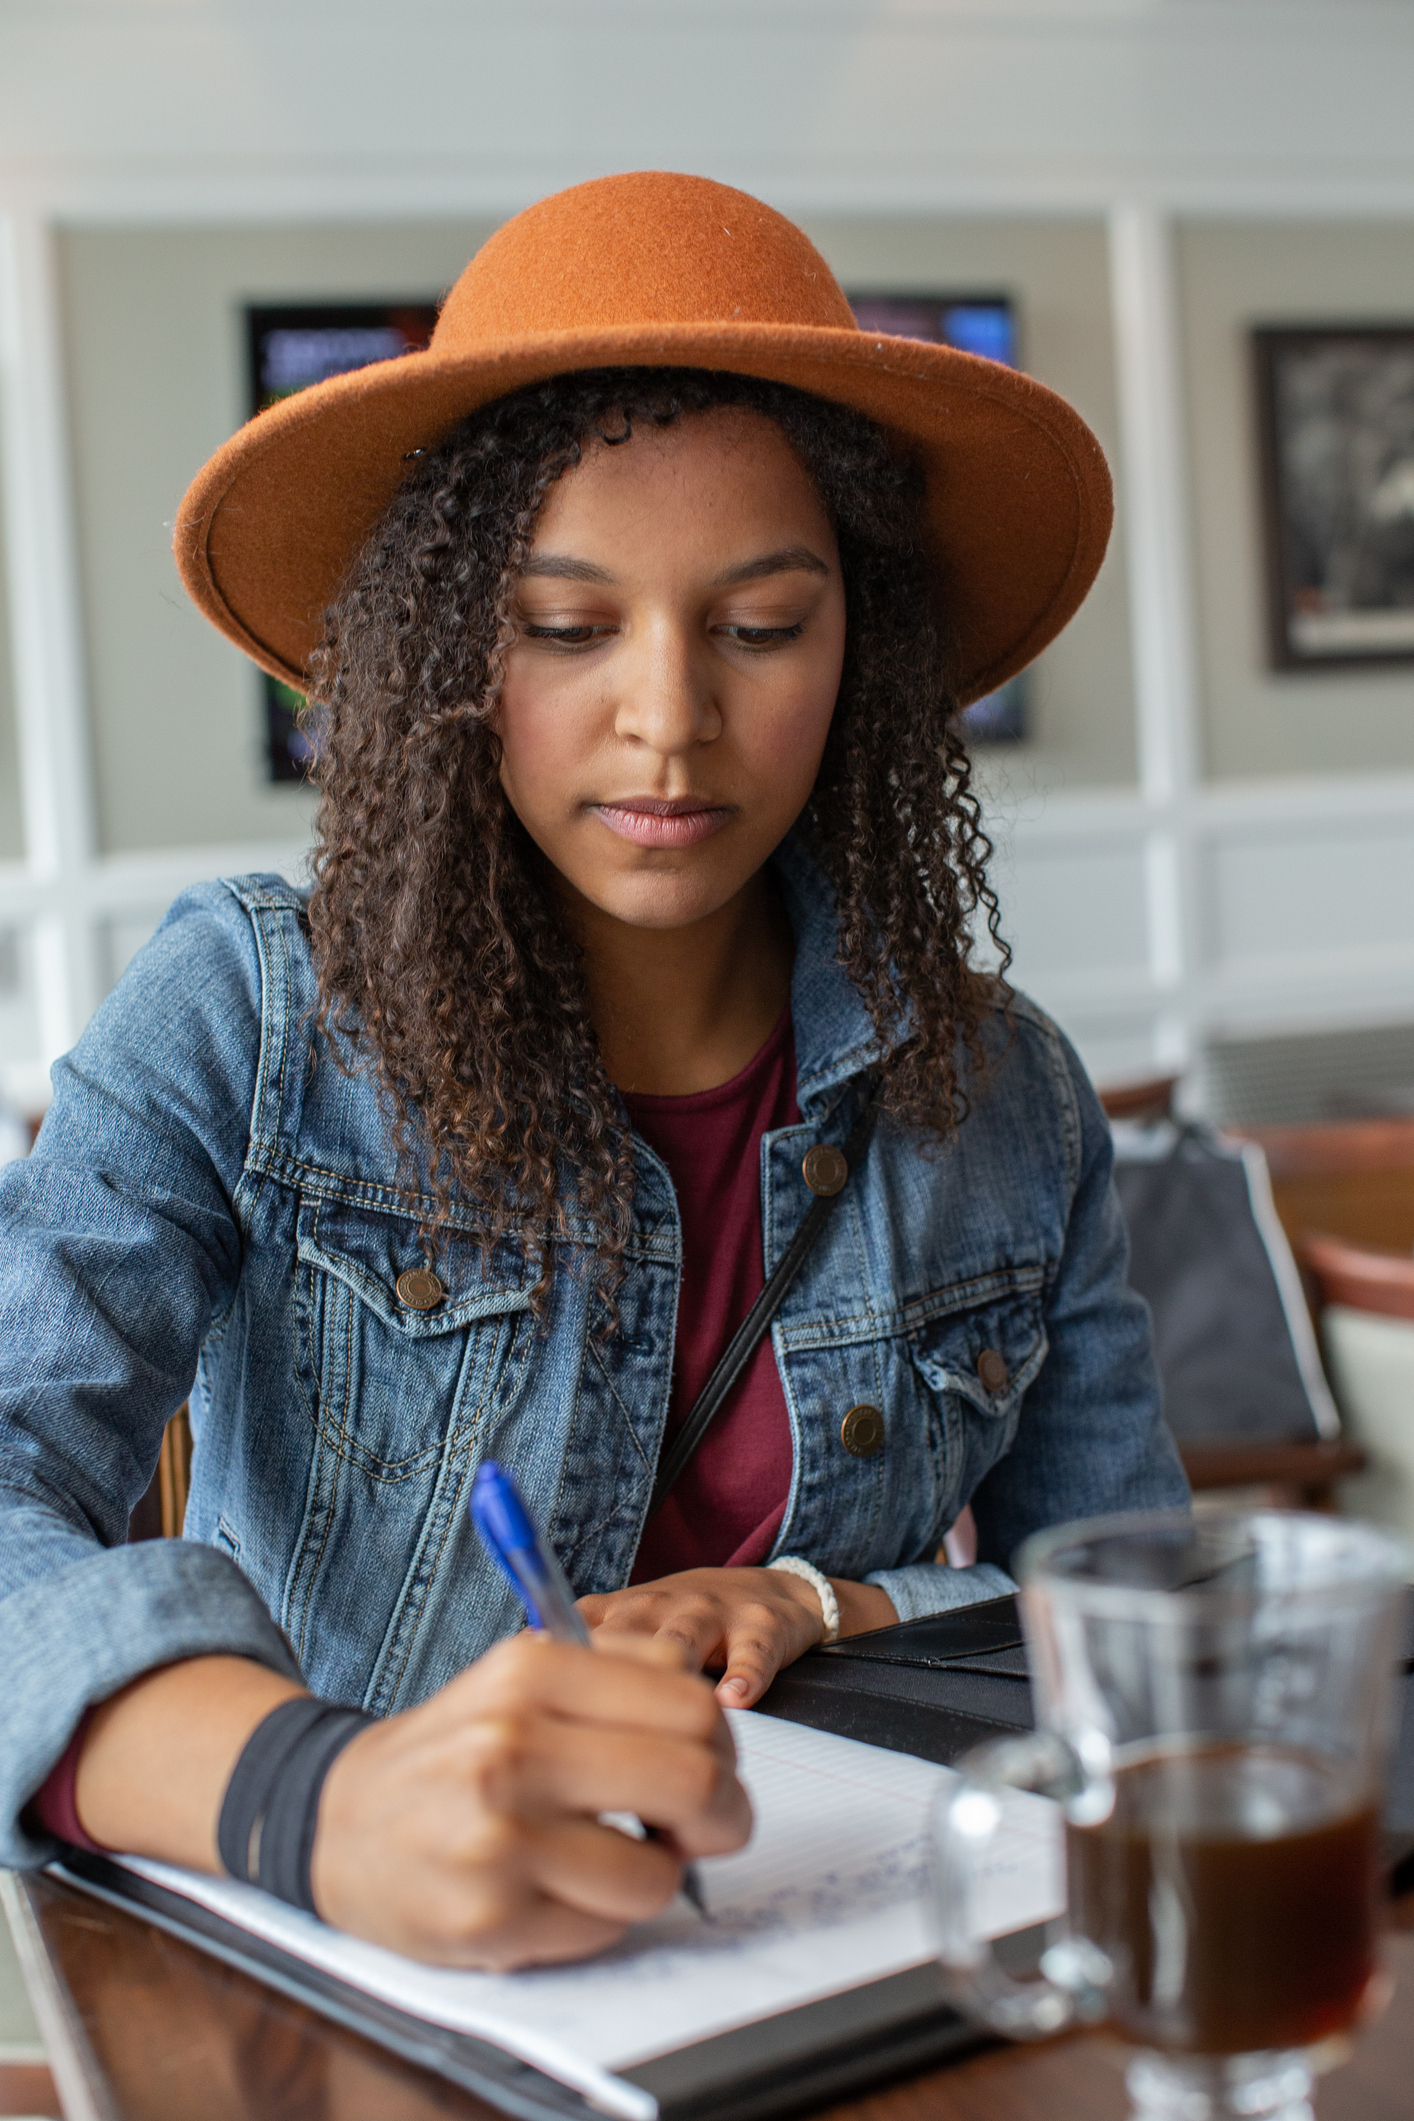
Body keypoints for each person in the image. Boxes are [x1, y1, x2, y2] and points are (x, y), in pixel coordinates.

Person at [0, 172, 1187, 1969]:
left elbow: (1140, 1621)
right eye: (566, 628)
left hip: (838, 1971)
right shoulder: (247, 1012)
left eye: (761, 625)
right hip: (357, 1990)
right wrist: (303, 1792)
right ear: (448, 654)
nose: (667, 714)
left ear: (857, 651)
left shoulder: (1005, 1100)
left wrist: (832, 1599)